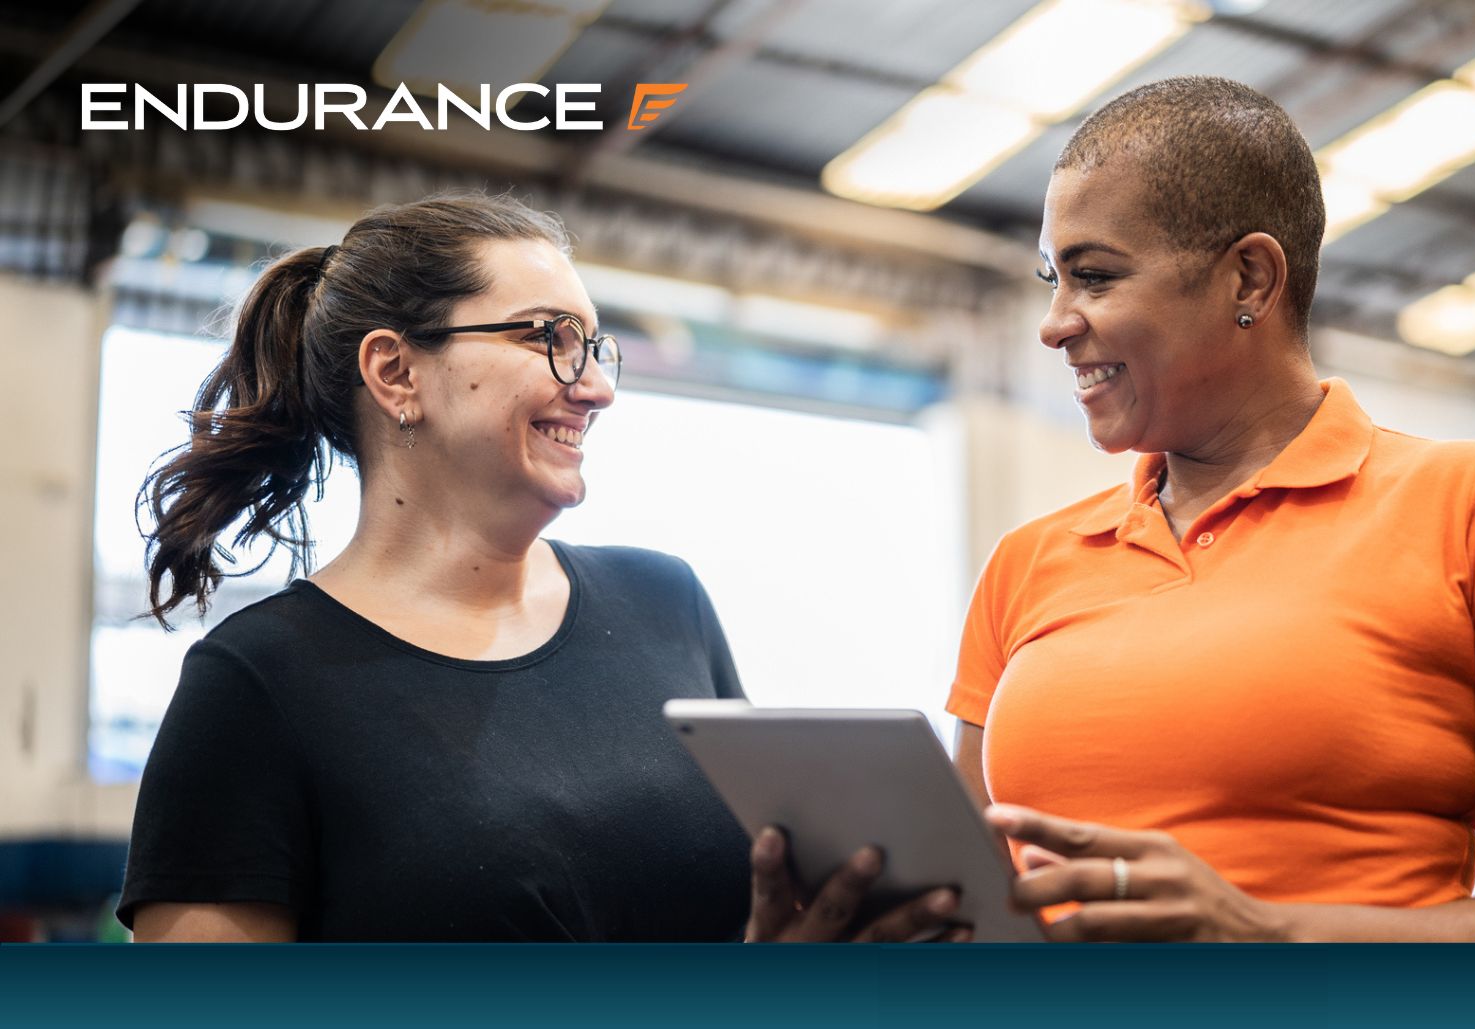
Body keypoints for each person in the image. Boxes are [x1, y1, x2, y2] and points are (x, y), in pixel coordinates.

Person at [119, 193, 958, 943]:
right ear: (397, 371)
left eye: (596, 348)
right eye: (548, 338)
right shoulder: (258, 683)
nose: (596, 388)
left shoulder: (666, 604)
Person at [946, 78, 1475, 941]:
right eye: (1052, 279)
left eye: (1095, 277)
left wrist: (1270, 936)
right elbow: (966, 905)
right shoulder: (1026, 563)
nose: (1054, 323)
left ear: (1248, 276)